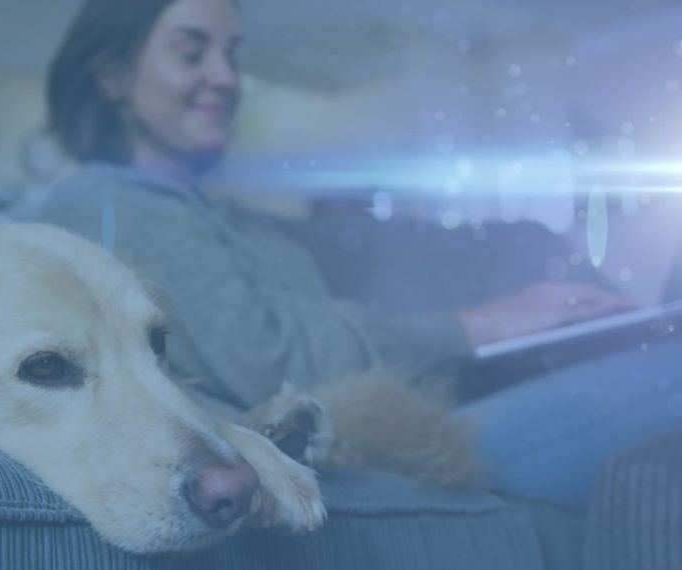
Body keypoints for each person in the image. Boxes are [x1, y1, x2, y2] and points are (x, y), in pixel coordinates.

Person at [35, 0, 682, 509]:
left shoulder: (220, 214)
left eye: (233, 54)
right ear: (112, 77)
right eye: (191, 52)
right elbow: (268, 357)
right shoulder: (107, 203)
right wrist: (475, 324)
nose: (226, 77)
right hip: (371, 449)